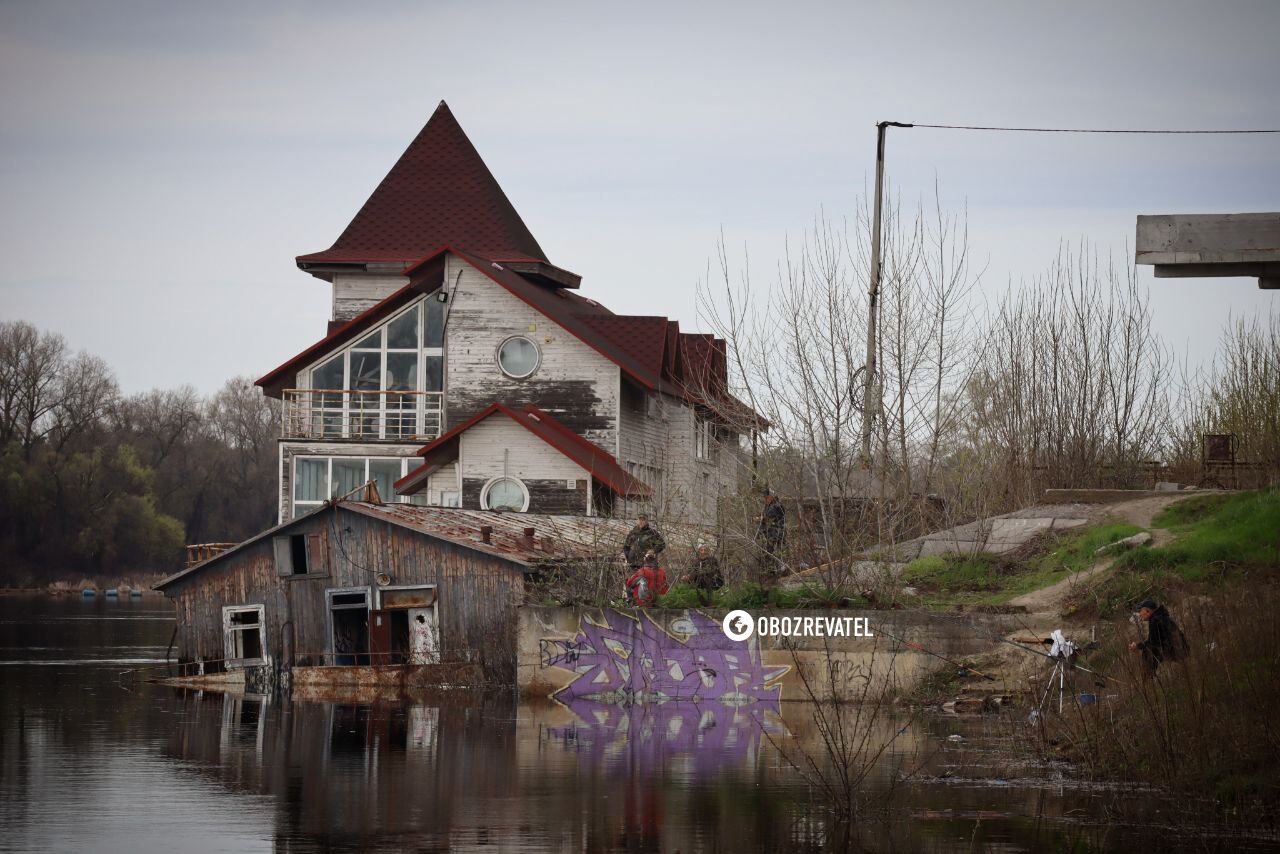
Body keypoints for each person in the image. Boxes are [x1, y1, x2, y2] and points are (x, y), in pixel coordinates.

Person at [1128, 598, 1188, 675]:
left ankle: (1149, 678)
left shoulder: (1155, 620)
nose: (1140, 614)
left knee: (1148, 652)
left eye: (1141, 611)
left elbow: (1152, 643)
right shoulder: (1162, 617)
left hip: (1176, 653)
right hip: (1182, 650)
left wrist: (1137, 646)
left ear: (1147, 611)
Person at [757, 490, 785, 579]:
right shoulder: (769, 506)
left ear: (771, 497)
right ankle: (771, 571)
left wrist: (760, 518)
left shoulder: (776, 506)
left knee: (773, 552)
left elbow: (769, 517)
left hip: (774, 533)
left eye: (766, 498)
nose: (765, 500)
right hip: (770, 533)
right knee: (769, 552)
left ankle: (775, 571)